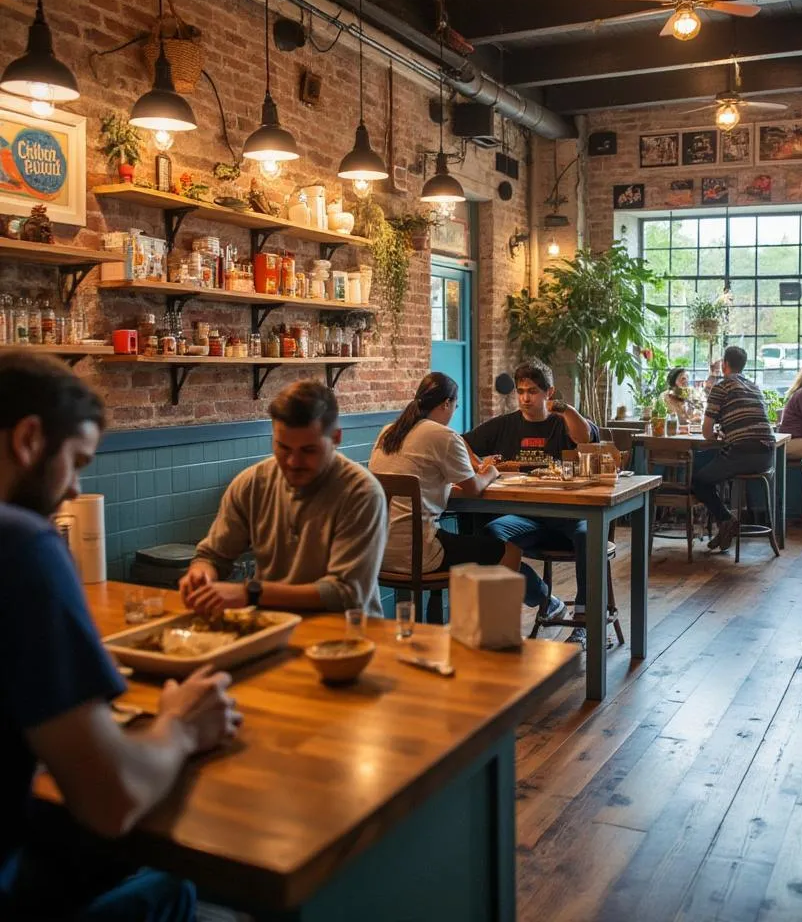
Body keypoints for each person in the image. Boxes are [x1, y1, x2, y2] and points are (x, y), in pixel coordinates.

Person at [0, 351, 241, 920]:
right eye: (76, 462)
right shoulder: (20, 543)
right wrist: (180, 725)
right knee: (181, 892)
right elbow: (113, 799)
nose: (72, 489)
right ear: (30, 439)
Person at [368, 372, 566, 620]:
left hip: (378, 551)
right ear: (446, 404)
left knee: (475, 544)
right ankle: (495, 629)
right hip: (419, 553)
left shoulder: (388, 432)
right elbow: (473, 488)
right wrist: (490, 471)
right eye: (455, 405)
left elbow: (413, 484)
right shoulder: (442, 435)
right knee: (509, 551)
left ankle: (542, 602)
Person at [180, 380, 386, 618]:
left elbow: (345, 593)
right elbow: (212, 556)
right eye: (283, 448)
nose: (293, 463)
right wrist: (201, 573)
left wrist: (251, 593)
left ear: (336, 437)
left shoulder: (361, 493)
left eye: (308, 450)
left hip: (347, 635)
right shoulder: (252, 483)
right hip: (269, 628)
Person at [463, 359, 593, 632]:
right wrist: (477, 465)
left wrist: (564, 409)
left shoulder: (562, 423)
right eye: (520, 391)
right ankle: (544, 598)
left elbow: (584, 439)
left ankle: (584, 619)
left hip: (568, 518)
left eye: (532, 391)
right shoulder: (504, 425)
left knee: (587, 535)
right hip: (526, 518)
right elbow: (461, 442)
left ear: (549, 392)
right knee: (489, 537)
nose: (524, 398)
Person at [691, 345, 775, 553]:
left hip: (743, 453)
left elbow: (706, 431)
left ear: (725, 365)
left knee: (699, 480)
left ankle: (726, 519)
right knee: (716, 468)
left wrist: (717, 435)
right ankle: (724, 524)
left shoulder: (721, 387)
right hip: (767, 457)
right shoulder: (754, 386)